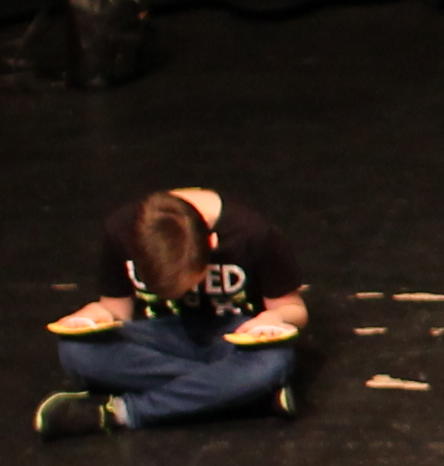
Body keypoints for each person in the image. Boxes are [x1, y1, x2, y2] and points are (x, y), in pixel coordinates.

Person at [38, 185, 310, 435]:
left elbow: (292, 308)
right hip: (161, 339)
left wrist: (272, 318)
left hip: (235, 338)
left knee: (273, 361)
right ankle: (243, 395)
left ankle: (121, 413)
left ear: (212, 244)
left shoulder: (253, 233)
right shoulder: (122, 229)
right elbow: (116, 309)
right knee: (76, 351)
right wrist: (95, 315)